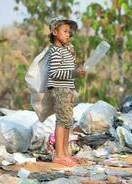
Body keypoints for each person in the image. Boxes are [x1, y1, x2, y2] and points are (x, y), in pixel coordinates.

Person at [47, 17, 86, 166]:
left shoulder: (65, 50)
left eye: (69, 32)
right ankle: (59, 154)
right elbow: (55, 73)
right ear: (55, 32)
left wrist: (71, 51)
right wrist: (75, 72)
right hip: (60, 89)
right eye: (65, 31)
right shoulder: (55, 51)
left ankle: (66, 153)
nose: (68, 34)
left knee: (68, 121)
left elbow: (70, 66)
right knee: (62, 121)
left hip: (68, 88)